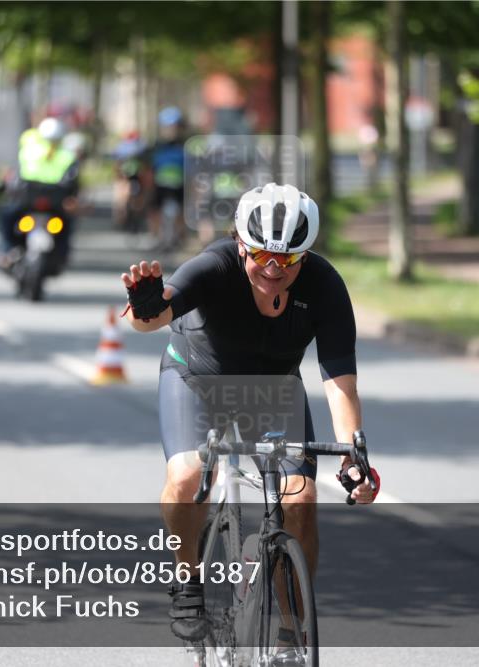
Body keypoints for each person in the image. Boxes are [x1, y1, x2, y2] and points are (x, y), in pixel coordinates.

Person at [120, 183, 378, 641]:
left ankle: (292, 628)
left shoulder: (324, 286)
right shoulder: (216, 265)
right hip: (195, 382)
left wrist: (353, 457)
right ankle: (188, 578)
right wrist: (145, 307)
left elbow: (340, 381)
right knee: (185, 476)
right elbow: (154, 317)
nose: (274, 269)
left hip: (273, 391)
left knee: (300, 499)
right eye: (261, 256)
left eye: (289, 259)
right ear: (241, 244)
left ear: (305, 256)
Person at [0, 117, 80, 267]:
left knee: (7, 217)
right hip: (49, 203)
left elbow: (16, 177)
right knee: (68, 223)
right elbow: (73, 183)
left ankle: (7, 251)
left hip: (29, 201)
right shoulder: (66, 155)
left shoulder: (29, 151)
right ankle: (61, 257)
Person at [146, 106, 187, 249]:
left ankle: (179, 237)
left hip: (179, 184)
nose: (171, 130)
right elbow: (151, 167)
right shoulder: (157, 146)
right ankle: (156, 237)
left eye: (174, 127)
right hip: (160, 184)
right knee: (154, 210)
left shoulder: (184, 145)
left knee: (181, 210)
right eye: (168, 127)